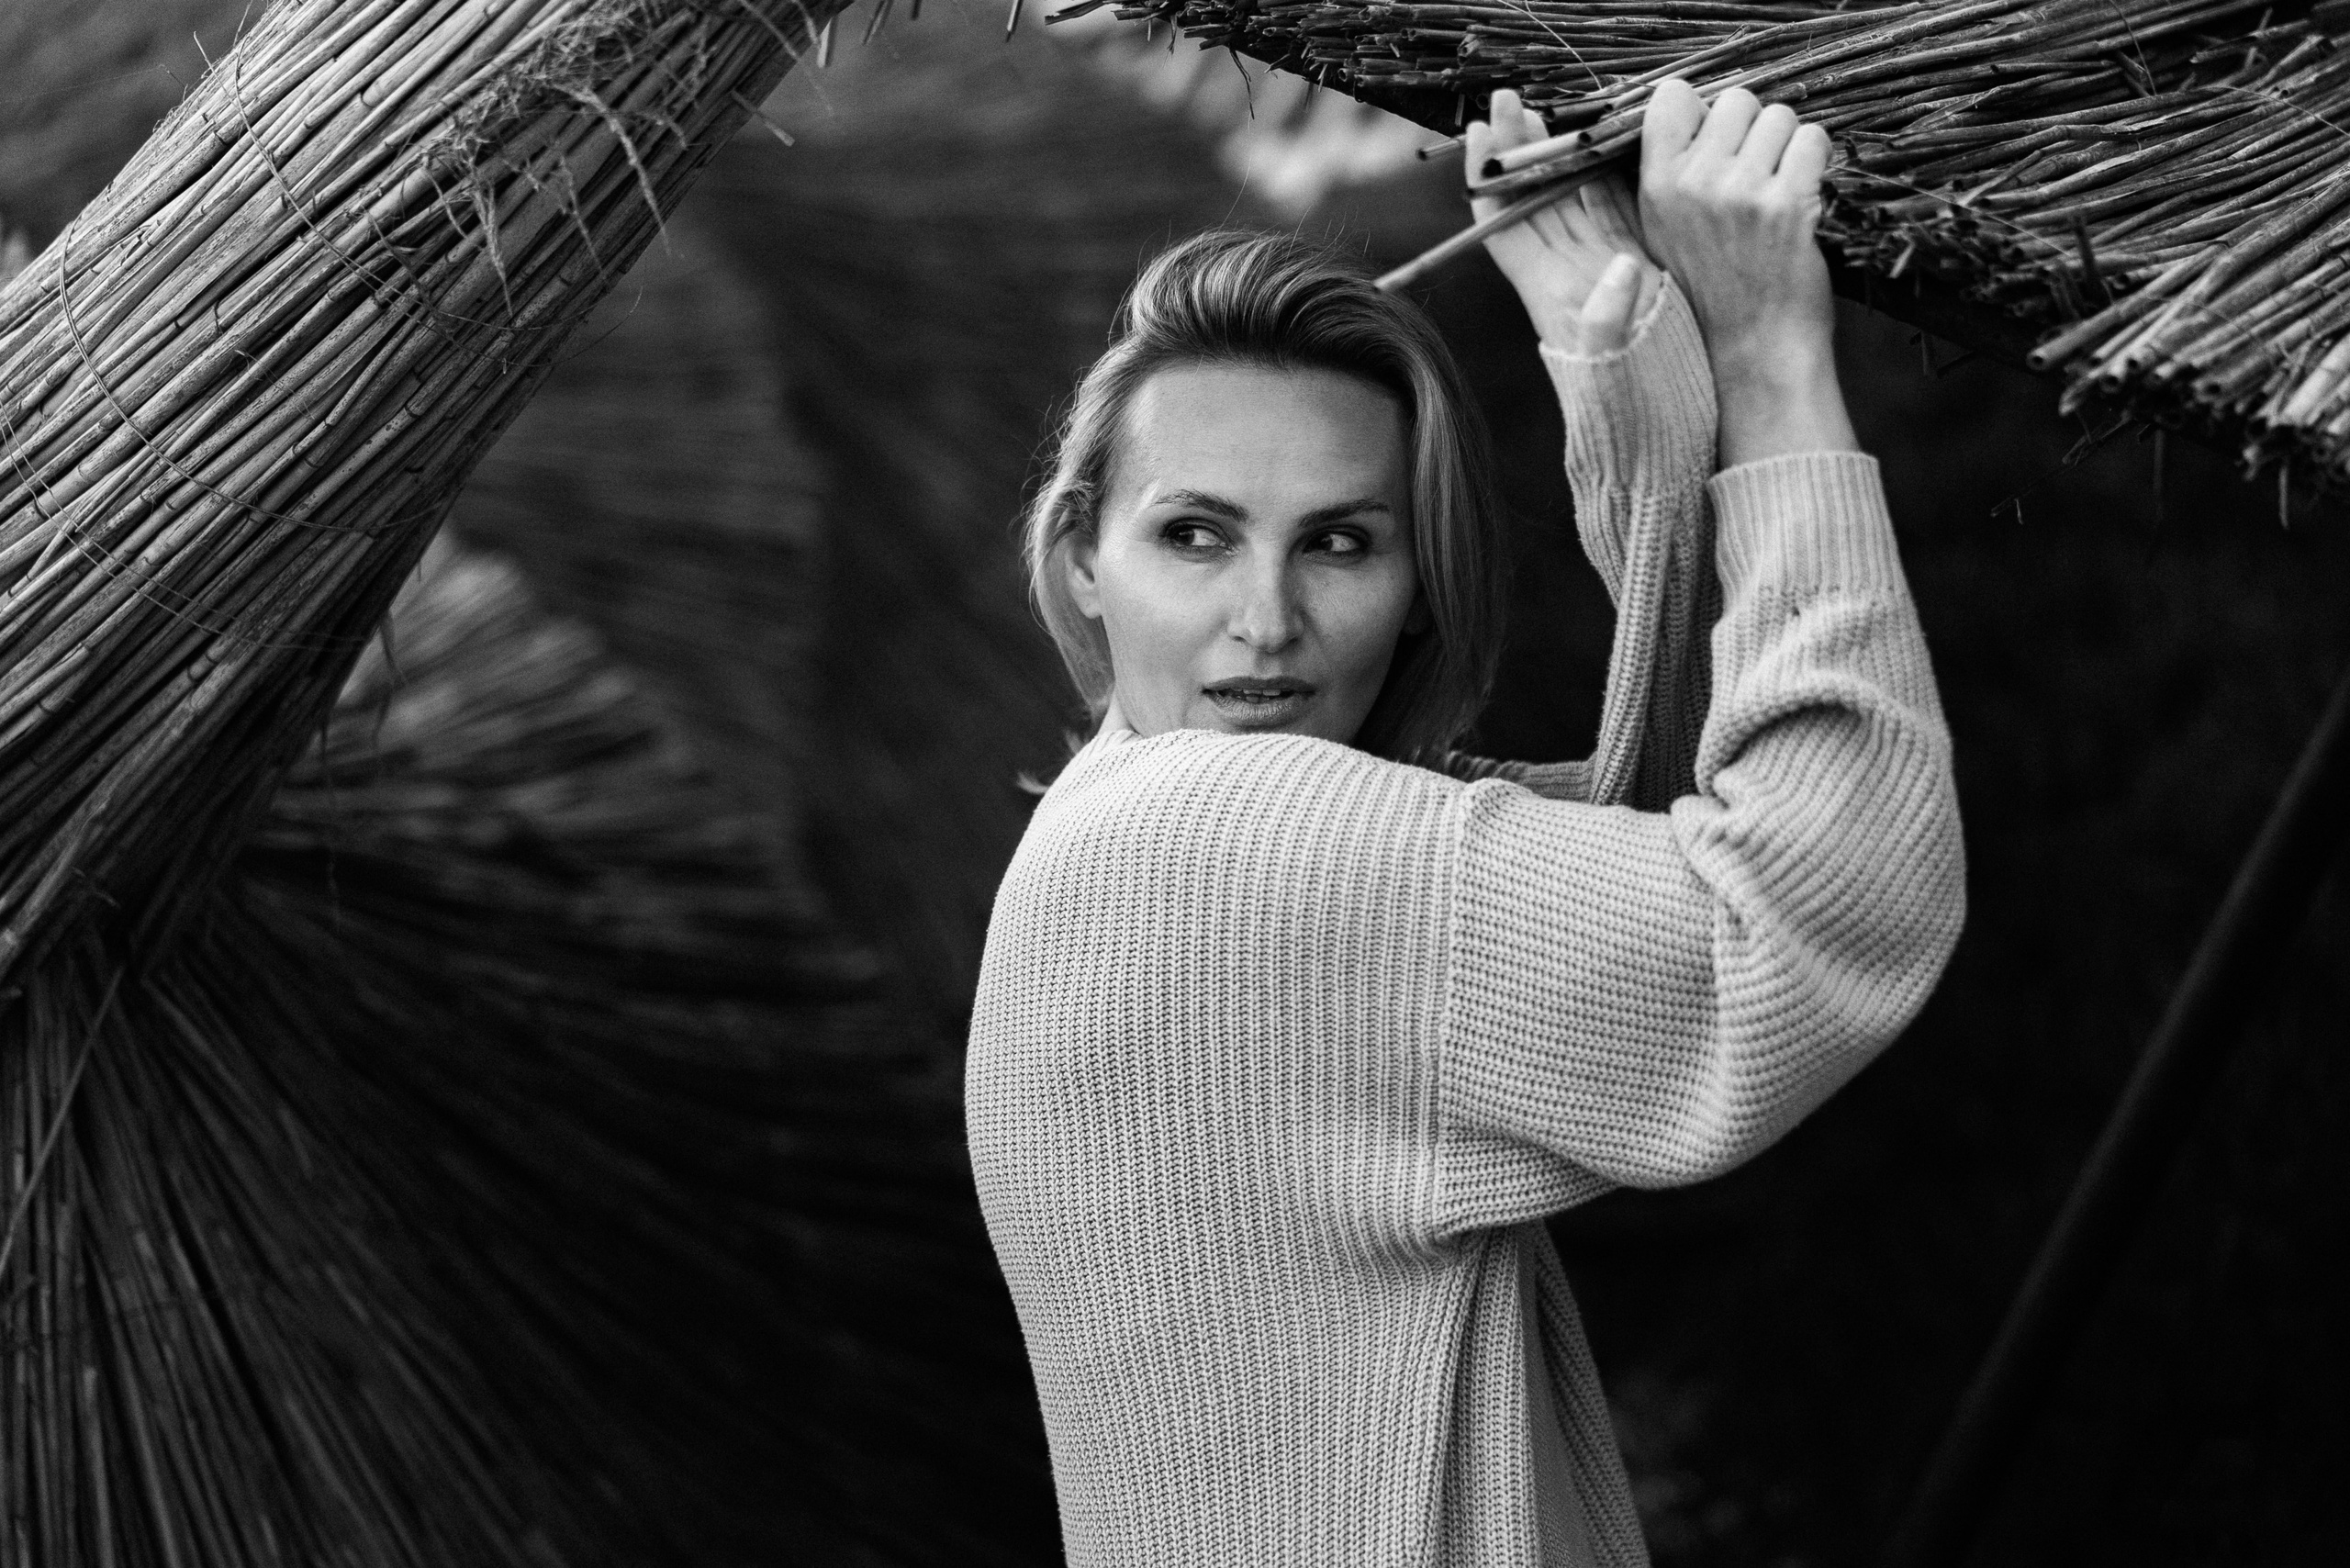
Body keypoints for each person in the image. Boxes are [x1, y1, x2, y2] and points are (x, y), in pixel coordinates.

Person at [966, 78, 1965, 1568]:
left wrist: (1615, 345)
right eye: (1195, 534)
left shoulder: (1115, 840)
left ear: (1417, 576)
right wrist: (1767, 351)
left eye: (1343, 543)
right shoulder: (1203, 847)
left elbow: (1663, 828)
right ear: (1082, 560)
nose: (1267, 622)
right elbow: (1816, 903)